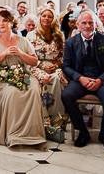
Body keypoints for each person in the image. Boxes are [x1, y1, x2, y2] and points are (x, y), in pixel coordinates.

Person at [0, 10, 46, 147]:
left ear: (11, 22)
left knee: (33, 90)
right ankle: (13, 134)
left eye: (4, 20)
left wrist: (20, 53)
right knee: (12, 93)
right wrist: (4, 53)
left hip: (23, 74)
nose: (1, 23)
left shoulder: (23, 41)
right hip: (1, 77)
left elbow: (34, 61)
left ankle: (33, 134)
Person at [61, 11, 104, 150]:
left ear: (95, 24)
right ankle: (83, 132)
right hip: (80, 80)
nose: (88, 26)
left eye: (90, 23)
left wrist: (100, 80)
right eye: (84, 23)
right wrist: (80, 78)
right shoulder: (70, 42)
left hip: (102, 80)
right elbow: (66, 66)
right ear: (78, 25)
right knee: (66, 95)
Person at [26, 8, 67, 136]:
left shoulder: (59, 35)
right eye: (44, 16)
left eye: (49, 16)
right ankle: (45, 121)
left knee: (56, 78)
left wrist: (55, 64)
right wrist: (40, 64)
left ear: (53, 19)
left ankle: (57, 120)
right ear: (40, 17)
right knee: (46, 79)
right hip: (36, 66)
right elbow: (28, 56)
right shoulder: (31, 35)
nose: (46, 18)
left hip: (55, 67)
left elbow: (63, 57)